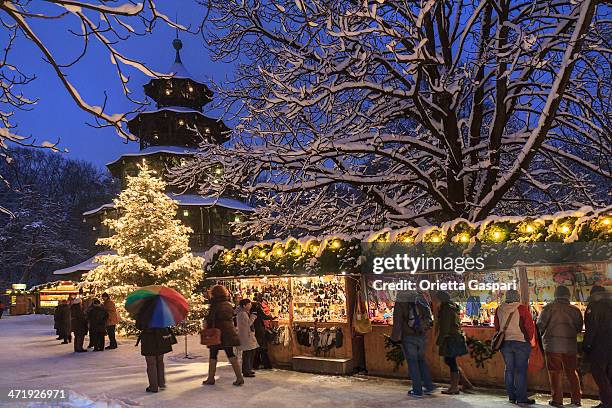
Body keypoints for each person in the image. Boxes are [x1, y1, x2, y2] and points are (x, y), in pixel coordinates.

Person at [537, 285, 583, 407]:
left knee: (555, 372)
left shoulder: (548, 308)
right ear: (568, 295)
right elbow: (579, 328)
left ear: (555, 295)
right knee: (572, 372)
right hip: (570, 346)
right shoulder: (575, 310)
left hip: (552, 346)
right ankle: (576, 399)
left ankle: (557, 400)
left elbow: (540, 326)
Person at [391, 290, 436, 397]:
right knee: (421, 360)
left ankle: (417, 390)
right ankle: (429, 386)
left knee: (412, 363)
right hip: (421, 334)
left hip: (408, 336)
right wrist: (424, 328)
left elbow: (397, 320)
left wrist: (394, 338)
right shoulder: (419, 296)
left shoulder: (401, 299)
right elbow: (429, 315)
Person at [494, 289, 536, 405]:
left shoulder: (499, 309)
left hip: (505, 343)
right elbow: (529, 326)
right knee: (521, 371)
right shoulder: (522, 309)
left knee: (509, 369)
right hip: (521, 342)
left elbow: (497, 327)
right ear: (517, 297)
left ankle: (511, 396)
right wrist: (530, 340)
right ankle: (521, 398)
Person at [202, 285, 243, 386]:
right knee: (230, 354)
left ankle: (211, 378)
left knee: (213, 354)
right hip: (228, 333)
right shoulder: (228, 304)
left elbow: (211, 319)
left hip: (217, 334)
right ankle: (239, 377)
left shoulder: (215, 305)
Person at [435, 290, 468, 395]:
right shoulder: (451, 307)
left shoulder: (446, 309)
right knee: (450, 361)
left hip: (450, 338)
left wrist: (439, 341)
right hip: (454, 337)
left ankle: (454, 387)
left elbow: (445, 327)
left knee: (450, 361)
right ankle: (465, 383)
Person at [584, 285, 612, 408]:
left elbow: (592, 329)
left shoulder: (594, 307)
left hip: (600, 347)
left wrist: (587, 346)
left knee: (599, 375)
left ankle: (607, 402)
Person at [137, 324, 174, 393]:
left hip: (149, 339)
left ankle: (153, 386)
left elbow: (139, 326)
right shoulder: (161, 313)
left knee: (151, 364)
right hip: (161, 338)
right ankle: (161, 383)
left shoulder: (144, 314)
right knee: (160, 361)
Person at [236, 298, 259, 378]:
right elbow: (248, 323)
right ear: (244, 305)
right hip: (246, 336)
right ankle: (246, 371)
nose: (250, 305)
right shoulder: (242, 314)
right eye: (249, 304)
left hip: (248, 335)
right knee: (248, 353)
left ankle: (247, 369)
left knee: (250, 352)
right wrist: (253, 316)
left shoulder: (244, 312)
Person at [252, 297, 273, 370]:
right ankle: (266, 364)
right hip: (259, 329)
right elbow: (265, 316)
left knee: (258, 348)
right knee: (262, 347)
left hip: (254, 329)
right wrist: (271, 316)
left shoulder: (252, 307)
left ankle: (255, 364)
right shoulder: (258, 307)